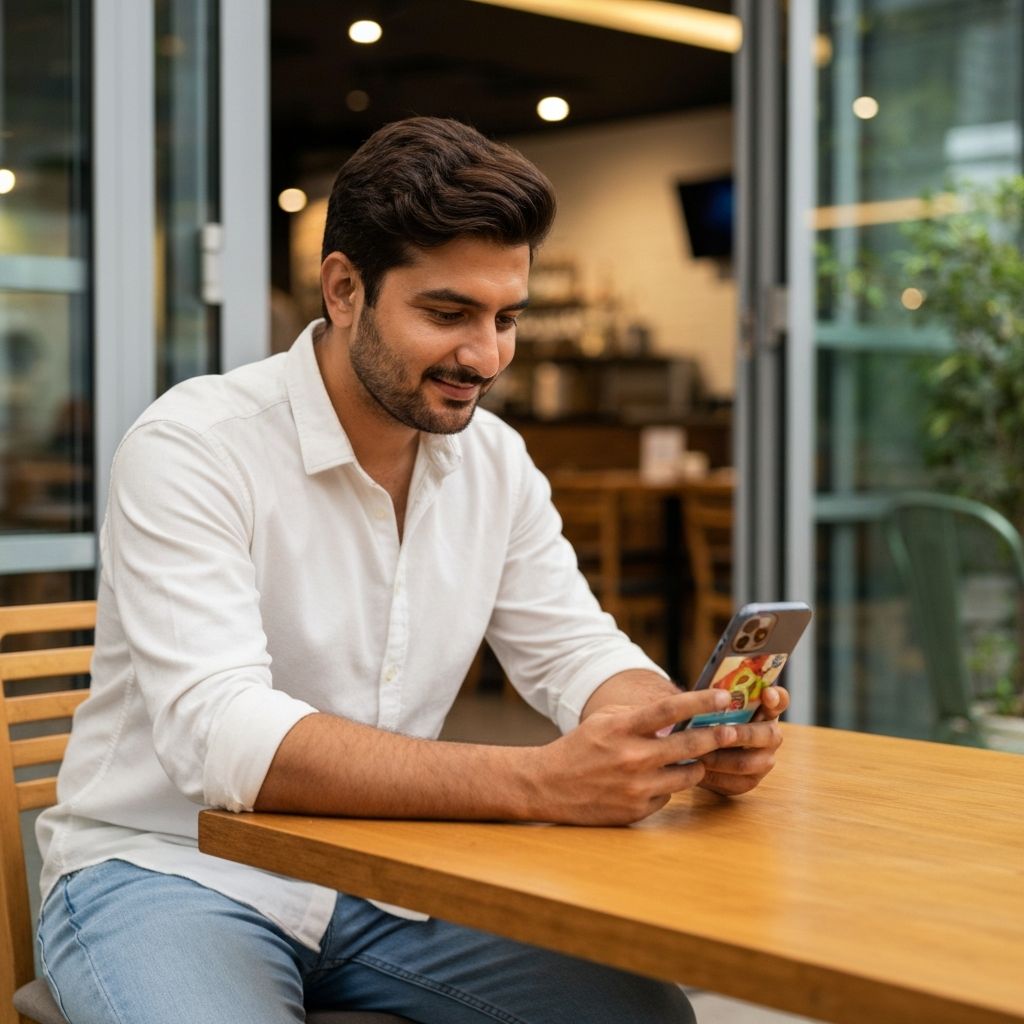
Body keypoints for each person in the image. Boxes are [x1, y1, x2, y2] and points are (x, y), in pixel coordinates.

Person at [36, 117, 786, 1024]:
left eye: (506, 317)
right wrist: (540, 784)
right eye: (448, 314)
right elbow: (223, 737)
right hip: (170, 869)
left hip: (390, 876)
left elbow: (576, 649)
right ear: (345, 288)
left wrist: (674, 730)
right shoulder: (194, 446)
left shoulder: (495, 461)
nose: (487, 357)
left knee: (644, 1015)